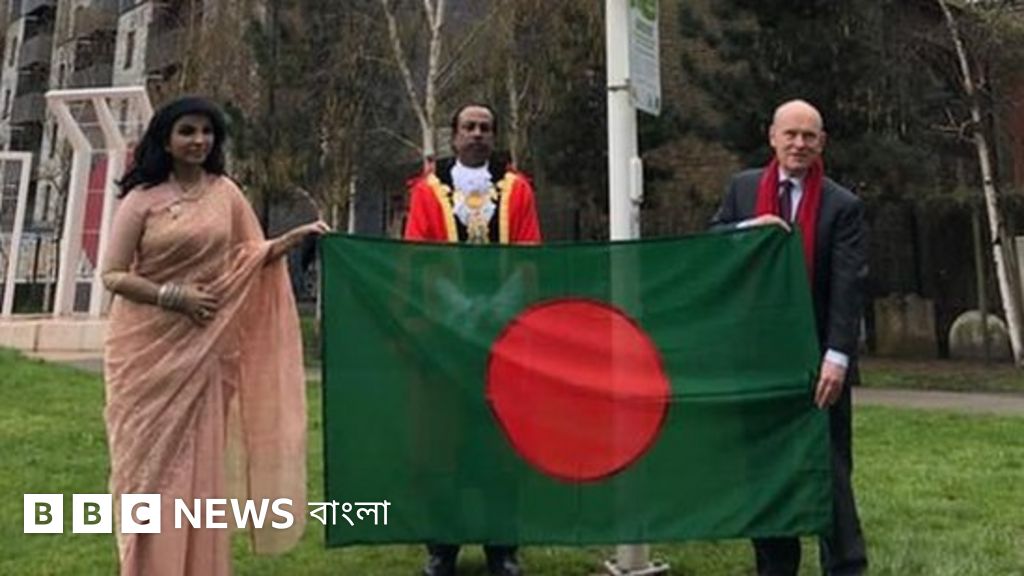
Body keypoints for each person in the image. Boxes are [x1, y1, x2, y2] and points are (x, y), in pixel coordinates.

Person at [101, 96, 329, 576]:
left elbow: (250, 254)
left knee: (198, 463)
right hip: (146, 352)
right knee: (146, 469)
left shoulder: (225, 192)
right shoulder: (142, 200)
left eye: (207, 132)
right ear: (166, 139)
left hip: (206, 348)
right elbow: (113, 275)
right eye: (187, 131)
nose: (199, 140)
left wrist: (292, 239)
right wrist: (172, 296)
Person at [711, 99, 868, 576]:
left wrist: (837, 357)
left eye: (809, 136)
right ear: (772, 137)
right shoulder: (742, 189)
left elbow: (848, 287)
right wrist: (748, 230)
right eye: (791, 134)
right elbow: (713, 242)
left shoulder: (843, 205)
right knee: (766, 472)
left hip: (819, 360)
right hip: (758, 358)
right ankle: (775, 567)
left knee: (830, 471)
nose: (799, 144)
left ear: (822, 143)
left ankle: (845, 566)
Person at [404, 103, 541, 576]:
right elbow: (417, 259)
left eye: (485, 127)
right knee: (443, 445)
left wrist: (499, 307)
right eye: (469, 127)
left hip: (505, 340)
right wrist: (458, 308)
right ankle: (442, 548)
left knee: (500, 446)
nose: (477, 134)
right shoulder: (426, 192)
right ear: (454, 135)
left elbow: (529, 256)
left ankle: (502, 548)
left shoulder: (518, 190)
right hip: (445, 339)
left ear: (494, 136)